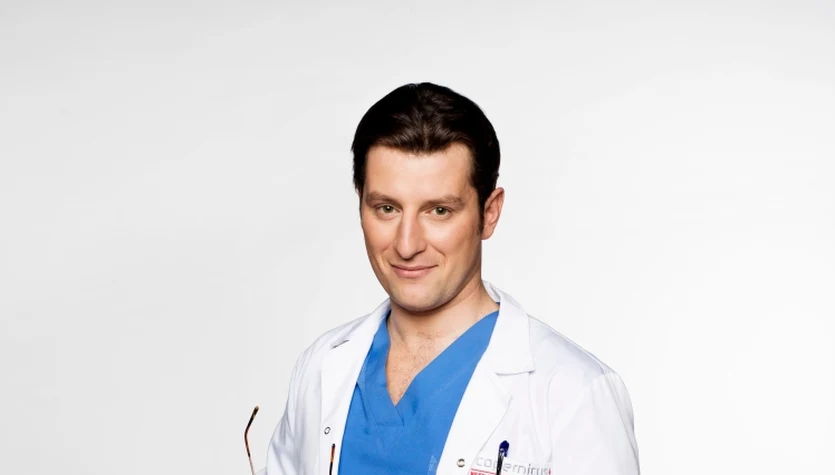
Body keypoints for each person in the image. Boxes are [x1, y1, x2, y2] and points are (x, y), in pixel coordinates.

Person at [264, 83, 639, 475]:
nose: (407, 244)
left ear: (489, 213)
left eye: (439, 211)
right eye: (387, 208)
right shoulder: (322, 367)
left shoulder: (573, 393)